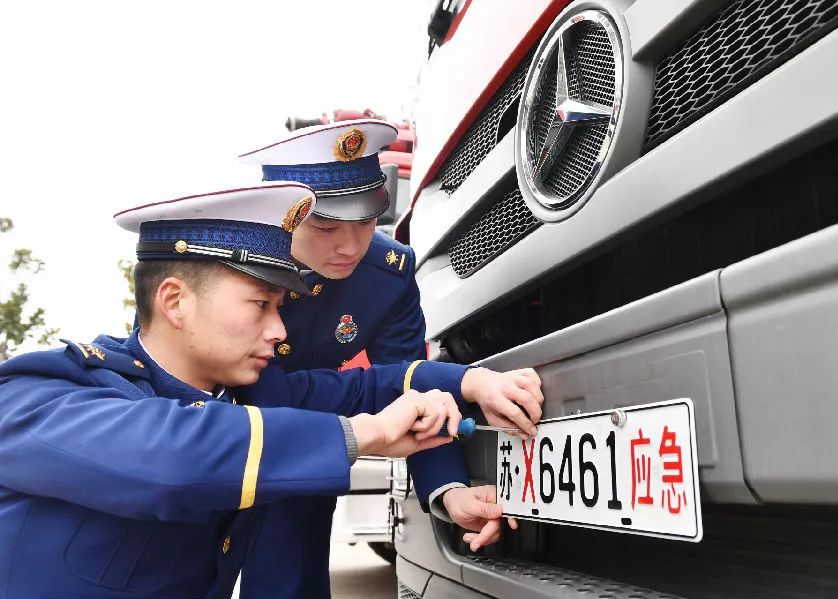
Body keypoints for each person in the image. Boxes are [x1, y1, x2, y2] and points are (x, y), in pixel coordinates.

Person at [0, 182, 527, 599]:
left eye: (280, 307)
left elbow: (380, 383)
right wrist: (362, 435)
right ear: (175, 301)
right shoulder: (39, 396)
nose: (280, 332)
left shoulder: (244, 398)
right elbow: (173, 455)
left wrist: (471, 381)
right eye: (260, 305)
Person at [236, 120, 543, 599]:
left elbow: (423, 401)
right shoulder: (228, 263)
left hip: (303, 459)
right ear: (282, 212)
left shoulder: (385, 275)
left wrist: (450, 491)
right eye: (326, 225)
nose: (351, 246)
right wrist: (460, 381)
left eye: (365, 220)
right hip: (215, 441)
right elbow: (274, 395)